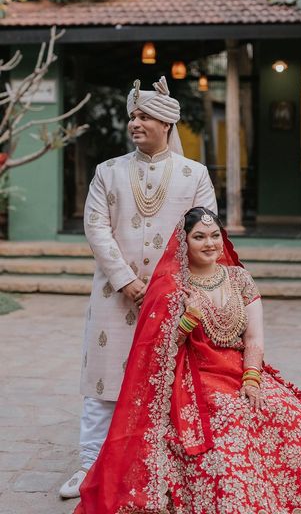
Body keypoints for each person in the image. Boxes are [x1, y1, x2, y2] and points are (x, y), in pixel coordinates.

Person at [74, 207, 301, 514]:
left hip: (241, 369)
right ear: (184, 243)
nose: (210, 244)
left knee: (286, 409)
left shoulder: (240, 279)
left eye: (215, 235)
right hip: (195, 376)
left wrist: (252, 379)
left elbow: (254, 338)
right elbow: (159, 351)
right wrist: (190, 318)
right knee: (230, 416)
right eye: (199, 237)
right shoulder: (172, 287)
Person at [59, 79, 217, 499]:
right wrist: (125, 279)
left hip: (170, 297)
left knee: (166, 377)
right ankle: (90, 465)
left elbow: (203, 232)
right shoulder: (107, 171)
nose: (135, 123)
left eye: (144, 115)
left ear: (166, 122)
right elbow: (95, 227)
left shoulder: (194, 174)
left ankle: (158, 462)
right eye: (133, 115)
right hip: (114, 294)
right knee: (103, 380)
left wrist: (170, 283)